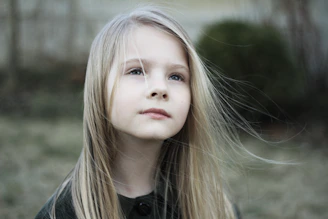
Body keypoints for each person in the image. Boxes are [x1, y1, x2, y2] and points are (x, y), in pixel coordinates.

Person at [35, 6, 242, 219]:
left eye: (176, 76)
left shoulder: (216, 209)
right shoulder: (62, 213)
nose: (160, 88)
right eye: (136, 71)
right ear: (99, 89)